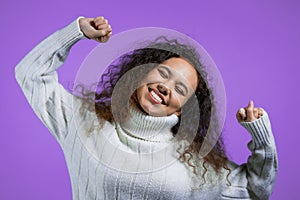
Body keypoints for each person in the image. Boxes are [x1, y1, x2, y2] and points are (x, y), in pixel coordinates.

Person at [15, 16, 278, 200]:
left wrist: (261, 136)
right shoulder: (83, 123)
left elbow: (255, 191)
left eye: (181, 89)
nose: (166, 87)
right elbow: (30, 74)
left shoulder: (194, 166)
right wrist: (75, 32)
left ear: (180, 111)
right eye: (163, 73)